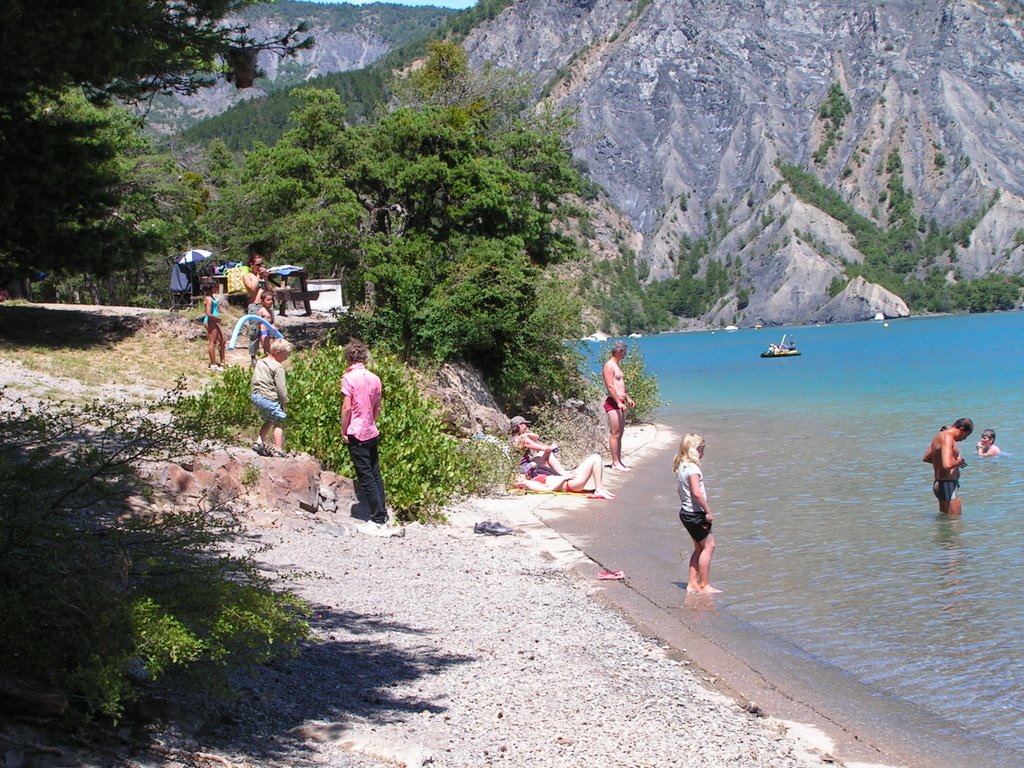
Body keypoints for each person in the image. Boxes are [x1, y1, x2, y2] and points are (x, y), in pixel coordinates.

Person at [341, 339, 393, 535]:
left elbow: (347, 408)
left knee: (366, 477)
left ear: (348, 357)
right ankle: (383, 515)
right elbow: (377, 408)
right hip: (371, 430)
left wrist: (343, 429)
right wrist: (371, 420)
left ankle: (377, 519)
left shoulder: (348, 378)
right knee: (375, 474)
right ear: (364, 357)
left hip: (357, 431)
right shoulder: (375, 378)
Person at [673, 433, 719, 594]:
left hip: (685, 512)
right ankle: (704, 585)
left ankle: (692, 584)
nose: (703, 454)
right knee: (709, 546)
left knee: (699, 548)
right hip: (695, 514)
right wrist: (708, 511)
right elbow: (697, 493)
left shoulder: (682, 467)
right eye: (701, 450)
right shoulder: (693, 469)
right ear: (693, 450)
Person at [250, 338, 291, 458]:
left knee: (269, 419)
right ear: (278, 352)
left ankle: (259, 442)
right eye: (286, 355)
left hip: (256, 395)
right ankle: (278, 449)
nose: (287, 358)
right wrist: (284, 403)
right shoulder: (278, 367)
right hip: (269, 397)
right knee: (279, 422)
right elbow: (281, 388)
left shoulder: (260, 362)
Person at [923, 418, 973, 516]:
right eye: (966, 435)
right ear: (961, 429)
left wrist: (939, 463)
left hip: (941, 484)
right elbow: (947, 464)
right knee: (956, 522)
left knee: (946, 522)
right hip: (947, 485)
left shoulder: (939, 436)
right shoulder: (948, 438)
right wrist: (957, 462)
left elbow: (927, 457)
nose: (964, 439)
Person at [514, 453, 615, 499]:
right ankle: (599, 489)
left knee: (596, 458)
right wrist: (564, 478)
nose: (519, 475)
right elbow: (548, 489)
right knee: (595, 458)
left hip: (569, 481)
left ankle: (600, 487)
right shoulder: (529, 484)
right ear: (520, 484)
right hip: (570, 483)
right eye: (517, 477)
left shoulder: (532, 481)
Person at [603, 340, 635, 471]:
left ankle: (619, 461)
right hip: (613, 402)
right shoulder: (609, 365)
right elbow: (610, 386)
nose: (625, 354)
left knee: (620, 433)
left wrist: (627, 398)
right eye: (623, 351)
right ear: (617, 351)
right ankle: (615, 462)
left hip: (621, 402)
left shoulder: (618, 366)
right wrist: (618, 402)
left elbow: (620, 385)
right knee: (615, 433)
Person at [243, 249, 271, 367]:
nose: (260, 266)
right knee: (254, 332)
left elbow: (270, 291)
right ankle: (253, 356)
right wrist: (258, 275)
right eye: (258, 264)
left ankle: (267, 354)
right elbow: (253, 289)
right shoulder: (247, 276)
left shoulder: (262, 277)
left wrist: (265, 278)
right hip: (254, 306)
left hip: (265, 306)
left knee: (267, 331)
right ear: (251, 265)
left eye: (262, 264)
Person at [201, 277, 225, 371]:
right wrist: (217, 319)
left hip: (214, 321)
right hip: (211, 321)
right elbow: (208, 313)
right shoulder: (208, 299)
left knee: (222, 341)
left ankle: (223, 361)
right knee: (212, 342)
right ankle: (213, 364)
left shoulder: (212, 297)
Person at [256, 290, 278, 358]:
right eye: (268, 300)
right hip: (263, 332)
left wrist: (274, 326)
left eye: (271, 300)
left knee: (272, 348)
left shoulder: (270, 310)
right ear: (262, 301)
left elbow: (272, 321)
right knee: (266, 350)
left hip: (270, 331)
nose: (270, 301)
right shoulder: (261, 311)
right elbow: (257, 323)